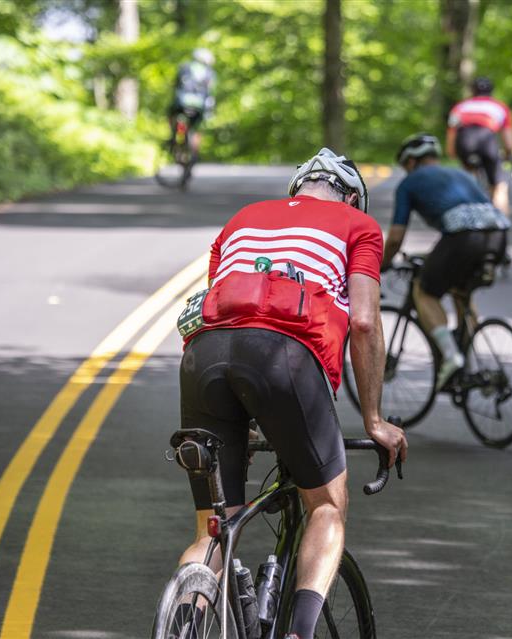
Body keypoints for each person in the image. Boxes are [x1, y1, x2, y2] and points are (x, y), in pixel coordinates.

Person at [176, 148, 408, 639]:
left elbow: (227, 308)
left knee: (214, 528)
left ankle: (186, 614)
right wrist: (374, 420)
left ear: (297, 189)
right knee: (326, 505)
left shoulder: (242, 218)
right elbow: (364, 322)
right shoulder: (358, 226)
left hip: (203, 356)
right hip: (285, 358)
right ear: (351, 197)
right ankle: (299, 632)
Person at [382, 133, 511, 387]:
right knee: (461, 291)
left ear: (410, 162)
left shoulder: (409, 184)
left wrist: (382, 264)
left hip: (464, 237)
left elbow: (396, 238)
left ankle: (452, 357)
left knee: (424, 290)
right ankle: (467, 363)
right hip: (498, 236)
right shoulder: (461, 175)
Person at [446, 76, 512, 215]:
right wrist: (508, 153)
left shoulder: (460, 107)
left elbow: (452, 133)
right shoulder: (500, 107)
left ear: (472, 91)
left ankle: (466, 219)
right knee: (498, 186)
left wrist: (452, 152)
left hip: (465, 142)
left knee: (467, 180)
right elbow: (508, 139)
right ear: (491, 91)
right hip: (487, 141)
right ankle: (502, 224)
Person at [167, 47, 217, 163]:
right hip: (199, 106)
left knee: (171, 115)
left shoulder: (185, 67)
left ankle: (173, 138)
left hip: (182, 103)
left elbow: (176, 84)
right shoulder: (210, 73)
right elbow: (211, 92)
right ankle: (194, 154)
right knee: (195, 129)